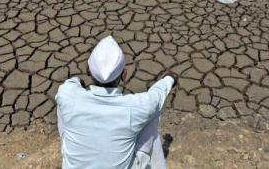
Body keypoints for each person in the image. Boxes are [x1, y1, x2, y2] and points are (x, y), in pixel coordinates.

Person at [55, 35, 177, 169]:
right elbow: (157, 95)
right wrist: (170, 79)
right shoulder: (136, 107)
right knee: (151, 114)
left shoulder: (67, 95)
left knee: (63, 107)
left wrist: (79, 82)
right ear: (124, 75)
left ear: (87, 68)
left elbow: (71, 83)